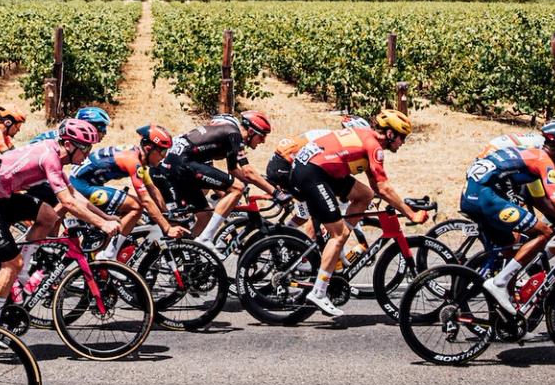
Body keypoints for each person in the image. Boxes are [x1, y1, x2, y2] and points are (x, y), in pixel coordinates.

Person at [0, 118, 122, 325]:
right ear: (69, 144)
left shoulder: (54, 153)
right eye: (85, 147)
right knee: (11, 263)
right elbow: (67, 202)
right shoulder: (50, 157)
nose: (87, 154)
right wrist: (102, 225)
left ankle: (21, 272)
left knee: (48, 216)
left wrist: (105, 217)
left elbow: (73, 194)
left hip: (0, 195)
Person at [276, 110, 428, 317]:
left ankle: (335, 242)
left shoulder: (366, 136)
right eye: (402, 137)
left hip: (317, 169)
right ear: (390, 134)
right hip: (313, 173)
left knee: (364, 195)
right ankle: (318, 292)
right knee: (339, 234)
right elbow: (383, 188)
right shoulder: (374, 147)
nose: (403, 142)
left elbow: (374, 187)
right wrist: (411, 214)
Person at [460, 119, 555, 312]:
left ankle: (507, 304)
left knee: (513, 248)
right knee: (544, 232)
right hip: (486, 196)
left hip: (473, 195)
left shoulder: (531, 157)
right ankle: (499, 283)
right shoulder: (544, 162)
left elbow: (543, 203)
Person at [159, 111, 276, 247]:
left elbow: (234, 170)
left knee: (205, 217)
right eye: (262, 136)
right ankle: (205, 239)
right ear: (250, 131)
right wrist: (276, 193)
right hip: (182, 163)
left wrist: (264, 183)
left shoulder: (231, 137)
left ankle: (185, 251)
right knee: (237, 188)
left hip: (177, 163)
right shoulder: (234, 134)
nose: (263, 141)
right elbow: (248, 171)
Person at [68, 125, 184, 248]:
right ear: (149, 148)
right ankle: (108, 253)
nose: (164, 156)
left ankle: (103, 246)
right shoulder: (132, 161)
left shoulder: (137, 156)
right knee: (136, 206)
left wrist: (167, 214)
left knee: (131, 208)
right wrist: (167, 228)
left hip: (87, 182)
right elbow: (145, 200)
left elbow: (152, 189)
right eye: (163, 151)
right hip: (81, 186)